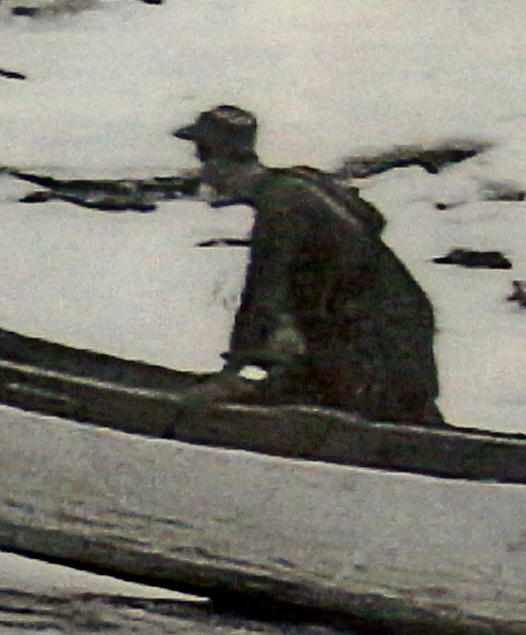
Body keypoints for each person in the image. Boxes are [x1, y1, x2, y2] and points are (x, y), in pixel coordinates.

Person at [175, 104, 442, 426]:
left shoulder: (281, 209)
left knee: (359, 416)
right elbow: (370, 218)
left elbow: (263, 298)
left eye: (202, 159)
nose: (202, 173)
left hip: (375, 343)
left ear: (217, 162)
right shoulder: (301, 182)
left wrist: (233, 372)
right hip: (398, 329)